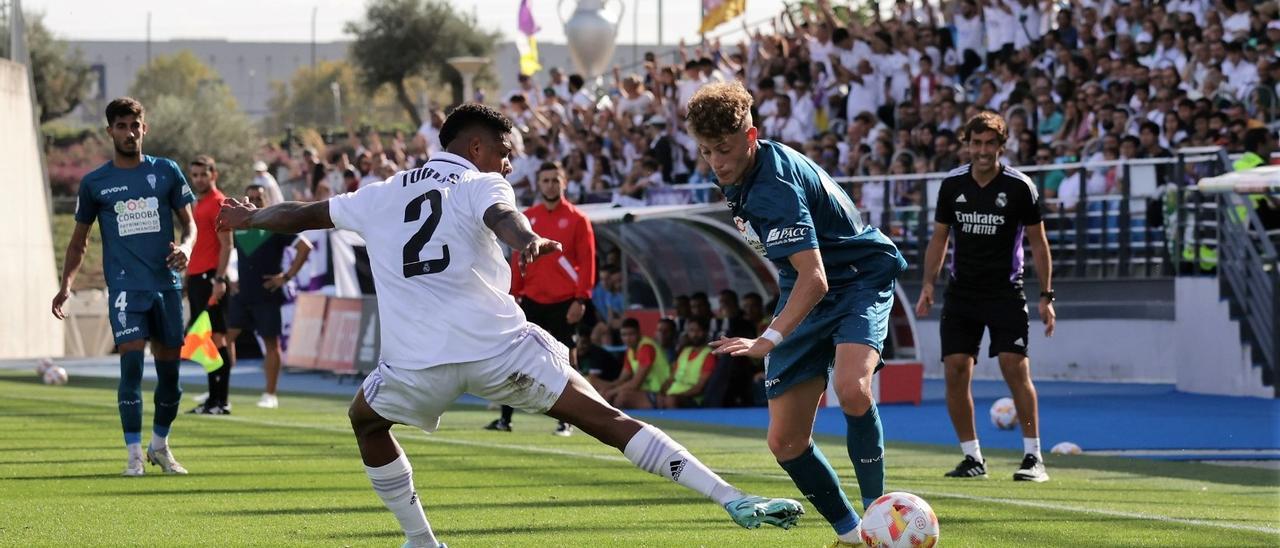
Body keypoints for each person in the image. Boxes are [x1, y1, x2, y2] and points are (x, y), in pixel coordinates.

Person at [216, 103, 804, 548]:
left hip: (417, 362)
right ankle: (731, 497)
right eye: (505, 151)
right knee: (608, 420)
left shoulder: (381, 192)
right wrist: (527, 241)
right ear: (475, 146)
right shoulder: (480, 181)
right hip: (498, 346)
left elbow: (301, 214)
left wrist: (252, 217)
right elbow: (503, 216)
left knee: (366, 423)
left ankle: (420, 540)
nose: (509, 161)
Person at [687, 82, 907, 548]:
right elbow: (801, 274)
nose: (716, 162)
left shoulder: (774, 187)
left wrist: (767, 340)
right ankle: (851, 535)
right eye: (706, 152)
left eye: (723, 150)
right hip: (804, 284)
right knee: (785, 442)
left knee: (852, 388)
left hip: (856, 277)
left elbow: (817, 278)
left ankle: (880, 520)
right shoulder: (736, 172)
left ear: (751, 137)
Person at [51, 96, 196, 476]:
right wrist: (66, 284)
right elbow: (79, 240)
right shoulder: (95, 183)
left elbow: (191, 225)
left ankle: (160, 446)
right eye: (121, 126)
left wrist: (187, 247)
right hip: (126, 290)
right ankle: (133, 453)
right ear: (110, 131)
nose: (130, 133)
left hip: (165, 285)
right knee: (131, 367)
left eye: (135, 126)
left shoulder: (166, 172)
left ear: (144, 128)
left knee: (171, 379)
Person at [915, 111, 1055, 483]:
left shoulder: (1019, 187)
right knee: (956, 370)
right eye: (976, 143)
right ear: (967, 144)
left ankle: (1033, 456)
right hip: (961, 293)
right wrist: (928, 284)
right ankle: (972, 457)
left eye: (990, 143)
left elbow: (1039, 243)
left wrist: (1047, 294)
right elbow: (939, 238)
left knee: (1014, 366)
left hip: (1006, 291)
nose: (982, 150)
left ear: (1001, 146)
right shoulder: (951, 185)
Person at [486, 160, 597, 437]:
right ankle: (505, 418)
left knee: (566, 361)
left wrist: (581, 299)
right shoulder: (528, 218)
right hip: (531, 299)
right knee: (515, 357)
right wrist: (515, 294)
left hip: (563, 301)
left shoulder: (577, 219)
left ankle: (568, 421)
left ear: (564, 183)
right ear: (539, 184)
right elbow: (518, 258)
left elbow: (587, 261)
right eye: (545, 180)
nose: (550, 185)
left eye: (554, 180)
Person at [225, 184, 313, 409]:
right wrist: (229, 278)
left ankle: (270, 394)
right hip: (242, 294)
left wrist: (285, 277)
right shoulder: (240, 226)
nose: (254, 201)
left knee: (271, 344)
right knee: (223, 339)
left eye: (259, 198)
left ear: (266, 200)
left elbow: (305, 247)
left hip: (266, 295)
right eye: (251, 197)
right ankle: (219, 389)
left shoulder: (275, 227)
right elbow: (225, 250)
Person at [184, 155, 234, 415]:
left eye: (203, 174)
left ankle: (221, 401)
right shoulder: (198, 203)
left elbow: (227, 244)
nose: (199, 179)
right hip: (196, 278)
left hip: (210, 277)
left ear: (213, 175)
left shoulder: (218, 203)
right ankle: (212, 398)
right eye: (195, 175)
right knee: (203, 341)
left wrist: (219, 279)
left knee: (216, 339)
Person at [602, 318, 671, 409]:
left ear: (639, 333)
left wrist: (611, 392)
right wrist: (606, 390)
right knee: (606, 393)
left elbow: (635, 384)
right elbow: (621, 380)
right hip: (646, 392)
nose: (627, 338)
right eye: (624, 335)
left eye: (631, 334)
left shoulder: (646, 347)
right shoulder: (630, 351)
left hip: (661, 392)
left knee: (622, 398)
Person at [661, 317, 716, 409]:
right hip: (672, 395)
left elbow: (699, 388)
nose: (694, 334)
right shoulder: (685, 351)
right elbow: (671, 379)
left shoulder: (709, 355)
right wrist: (661, 393)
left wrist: (676, 396)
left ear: (706, 332)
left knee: (670, 400)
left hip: (692, 399)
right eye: (691, 330)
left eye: (698, 331)